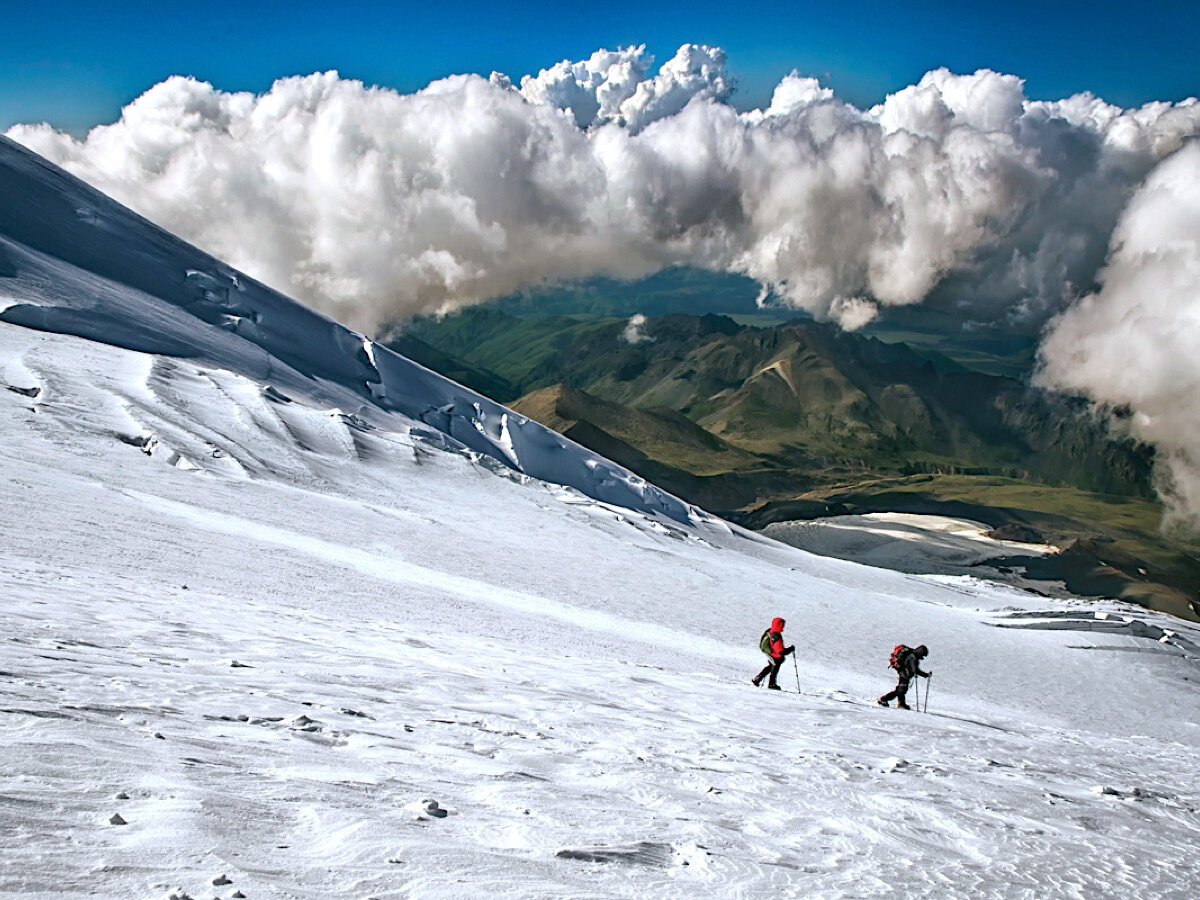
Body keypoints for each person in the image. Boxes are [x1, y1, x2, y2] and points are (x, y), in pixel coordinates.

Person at [878, 644, 931, 709]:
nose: (922, 657)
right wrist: (926, 675)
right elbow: (915, 669)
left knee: (901, 689)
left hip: (903, 672)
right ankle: (884, 699)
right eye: (923, 655)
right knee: (901, 690)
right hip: (904, 674)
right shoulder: (913, 657)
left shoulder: (912, 654)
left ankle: (900, 703)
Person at [752, 617, 795, 690]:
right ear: (779, 625)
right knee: (775, 667)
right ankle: (771, 684)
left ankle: (758, 679)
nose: (783, 627)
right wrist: (790, 649)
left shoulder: (770, 631)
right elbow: (780, 651)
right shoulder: (776, 635)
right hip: (774, 655)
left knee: (770, 666)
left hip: (769, 652)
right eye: (782, 625)